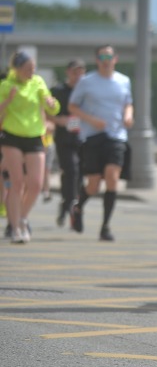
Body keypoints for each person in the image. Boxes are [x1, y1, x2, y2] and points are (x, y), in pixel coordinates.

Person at [68, 45, 133, 242]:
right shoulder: (87, 82)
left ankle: (105, 226)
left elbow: (128, 102)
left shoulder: (124, 80)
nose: (106, 59)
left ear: (115, 59)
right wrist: (90, 120)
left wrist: (129, 115)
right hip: (93, 136)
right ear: (97, 60)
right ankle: (78, 208)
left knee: (112, 178)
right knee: (94, 185)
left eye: (109, 56)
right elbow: (72, 106)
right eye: (102, 56)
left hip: (116, 136)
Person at [0, 51, 60, 243]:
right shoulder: (6, 85)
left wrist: (52, 103)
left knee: (35, 184)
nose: (31, 72)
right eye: (27, 69)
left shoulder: (38, 82)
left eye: (33, 68)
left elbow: (52, 107)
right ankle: (15, 227)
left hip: (35, 136)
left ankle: (23, 218)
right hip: (12, 136)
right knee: (16, 183)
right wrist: (8, 100)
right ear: (16, 70)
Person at [50, 59, 86, 228]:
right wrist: (59, 120)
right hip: (64, 139)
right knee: (71, 169)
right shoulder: (58, 91)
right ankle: (72, 208)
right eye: (74, 72)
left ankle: (66, 204)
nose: (78, 75)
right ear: (68, 72)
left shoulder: (87, 91)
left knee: (78, 174)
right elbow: (45, 113)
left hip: (83, 138)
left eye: (81, 71)